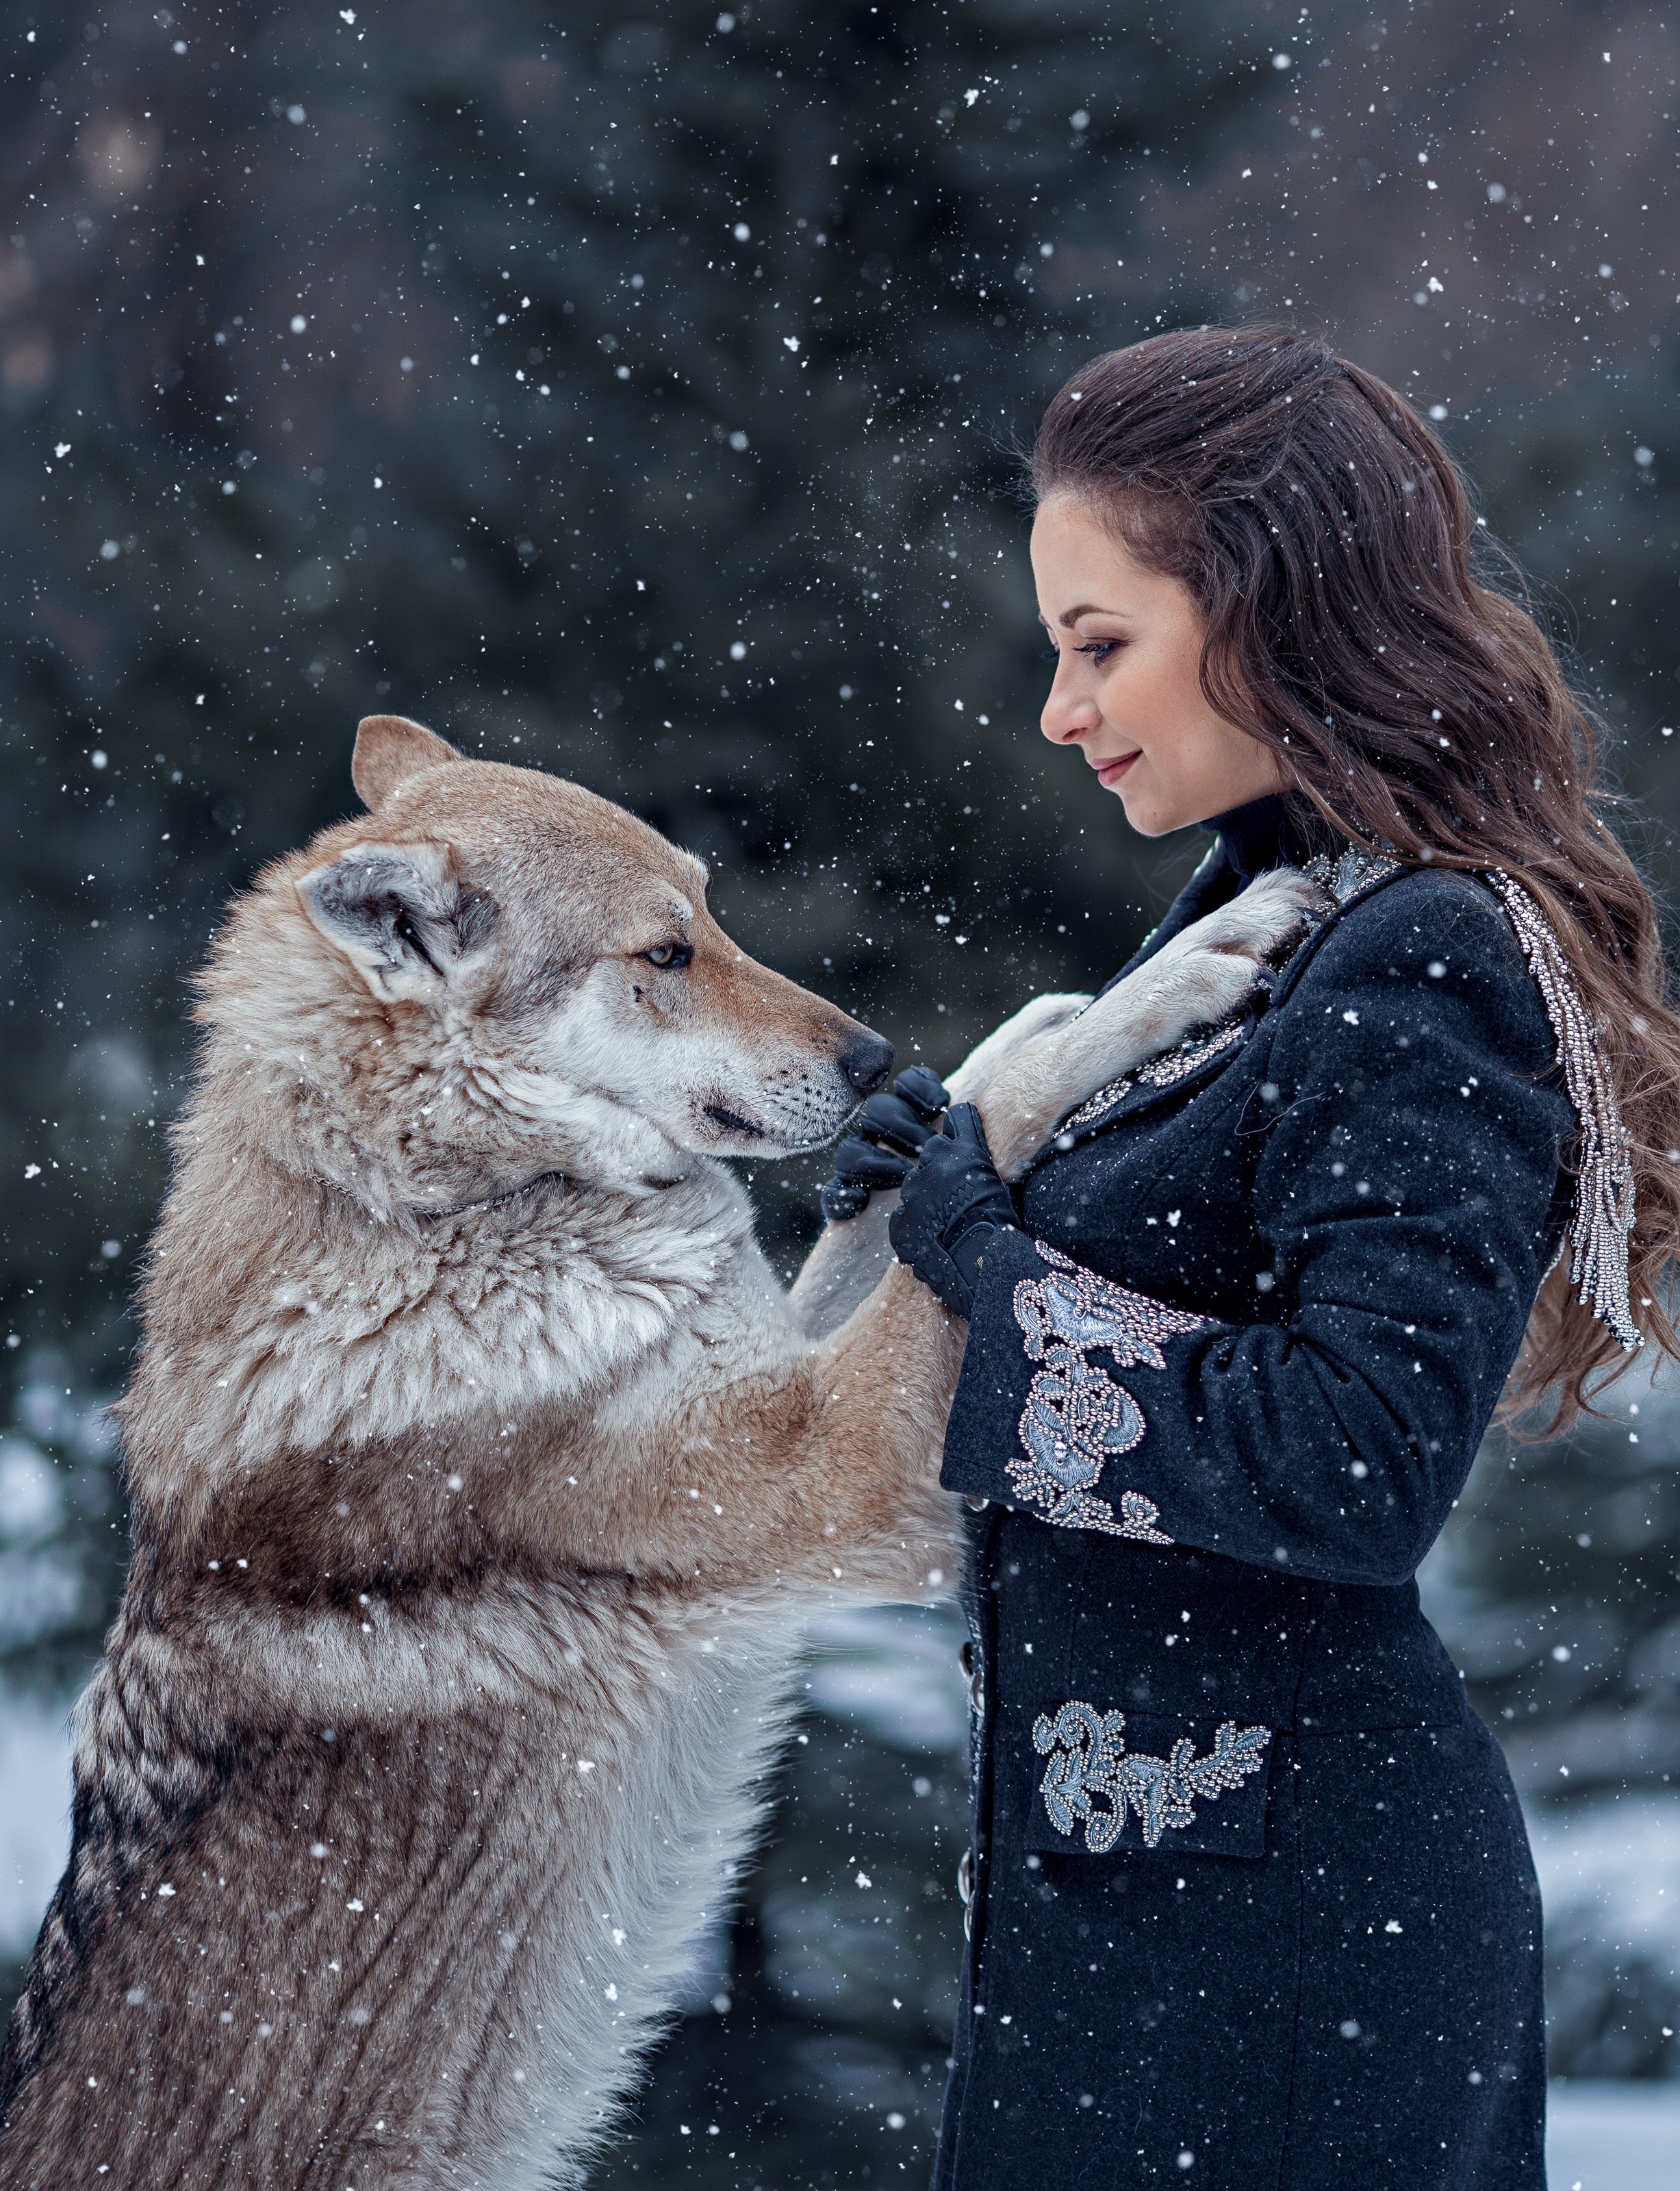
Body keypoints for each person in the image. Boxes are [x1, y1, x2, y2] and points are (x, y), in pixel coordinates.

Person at [821, 326, 1680, 2189]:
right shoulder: (1254, 926)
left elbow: (1361, 1458)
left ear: (1273, 610)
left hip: (1290, 1933)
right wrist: (942, 1192)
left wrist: (998, 1271)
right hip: (1142, 1912)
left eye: (1101, 642)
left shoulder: (1424, 954)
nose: (1062, 709)